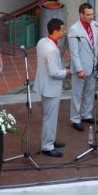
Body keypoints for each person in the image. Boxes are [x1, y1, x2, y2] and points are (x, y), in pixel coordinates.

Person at [33, 18, 69, 157]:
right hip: (51, 88)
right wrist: (65, 72)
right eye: (62, 30)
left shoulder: (42, 42)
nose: (64, 32)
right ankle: (47, 146)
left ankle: (50, 140)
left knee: (49, 116)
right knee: (50, 117)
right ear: (55, 31)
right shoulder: (52, 49)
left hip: (44, 84)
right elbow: (54, 72)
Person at [67, 3, 98, 132]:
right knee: (77, 95)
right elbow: (74, 53)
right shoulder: (74, 30)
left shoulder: (95, 25)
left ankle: (86, 114)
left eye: (92, 14)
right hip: (81, 68)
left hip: (93, 66)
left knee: (90, 92)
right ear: (81, 15)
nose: (91, 17)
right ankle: (75, 119)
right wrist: (79, 69)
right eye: (88, 15)